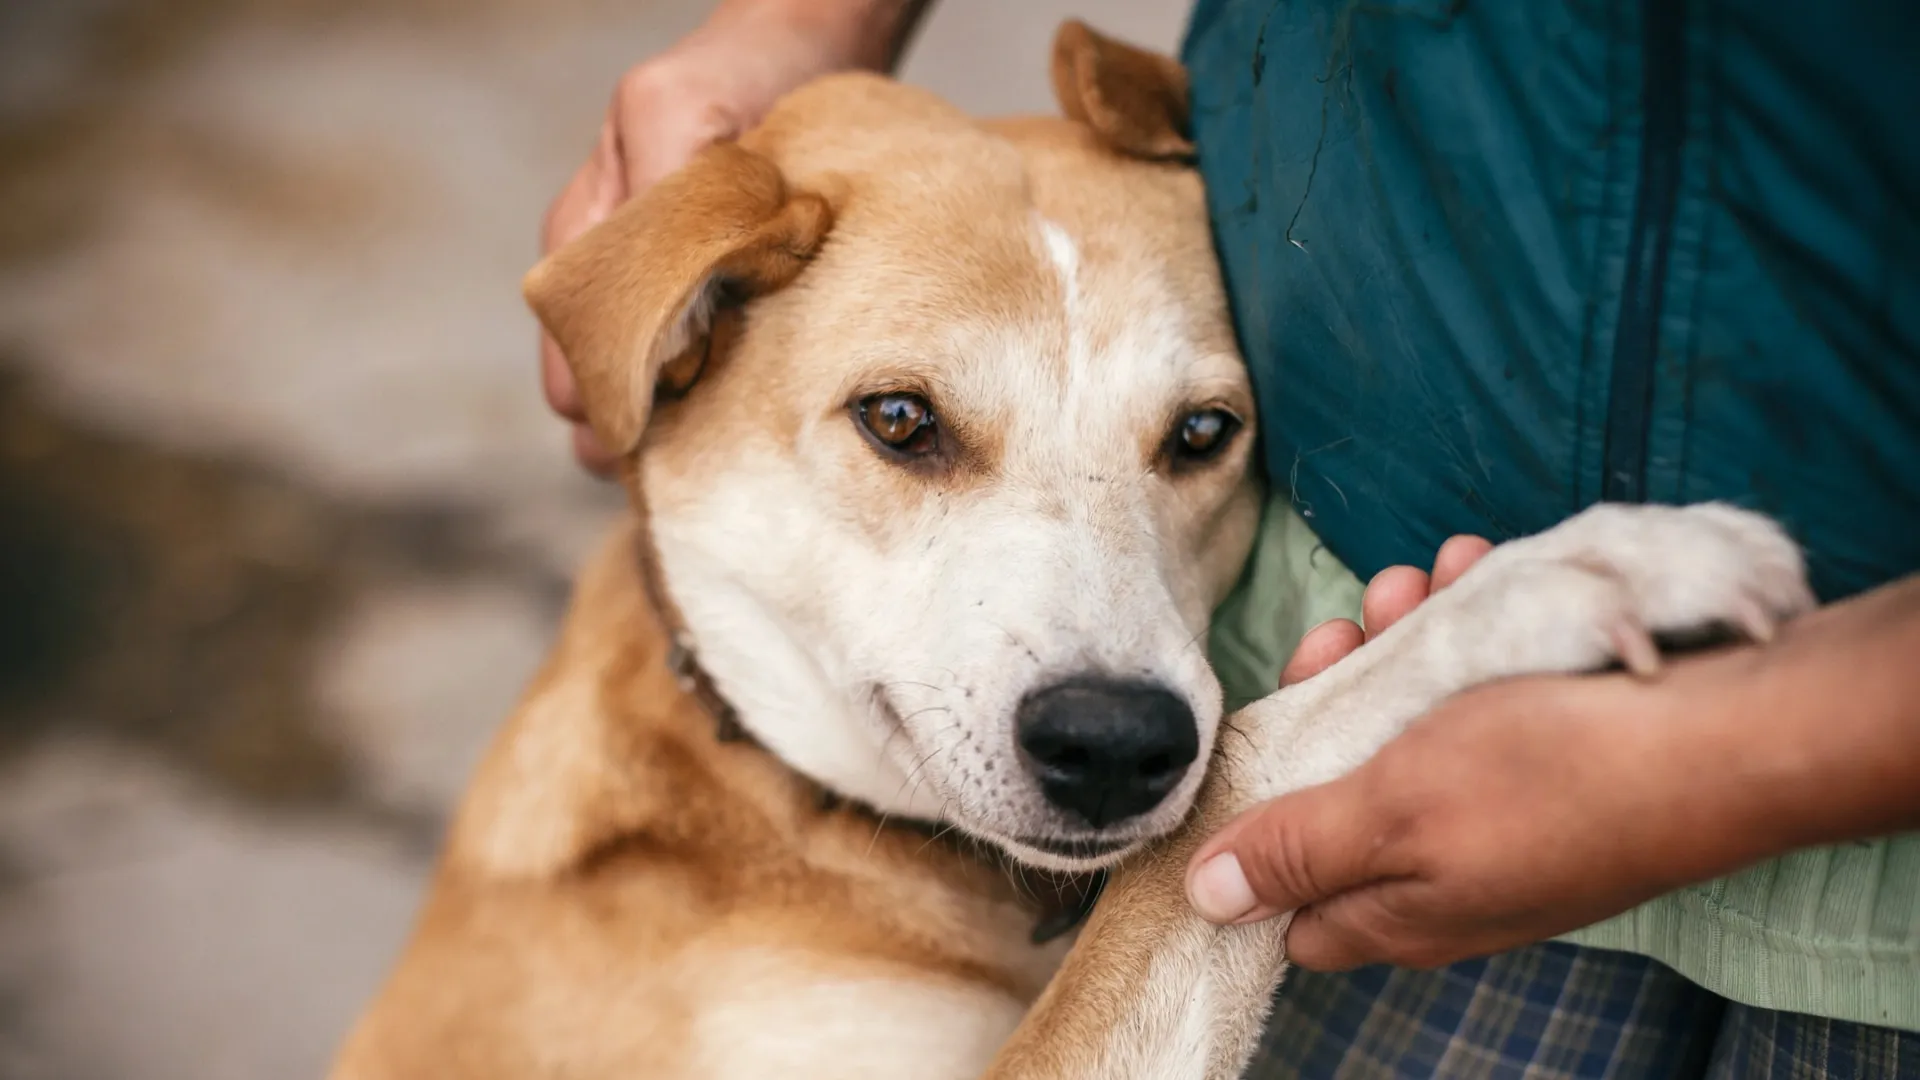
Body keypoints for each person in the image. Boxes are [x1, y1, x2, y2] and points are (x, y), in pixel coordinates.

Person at [538, 1, 1920, 1074]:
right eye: (908, 424)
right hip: (1417, 684)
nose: (1097, 664)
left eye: (1192, 438)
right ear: (683, 339)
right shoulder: (604, 918)